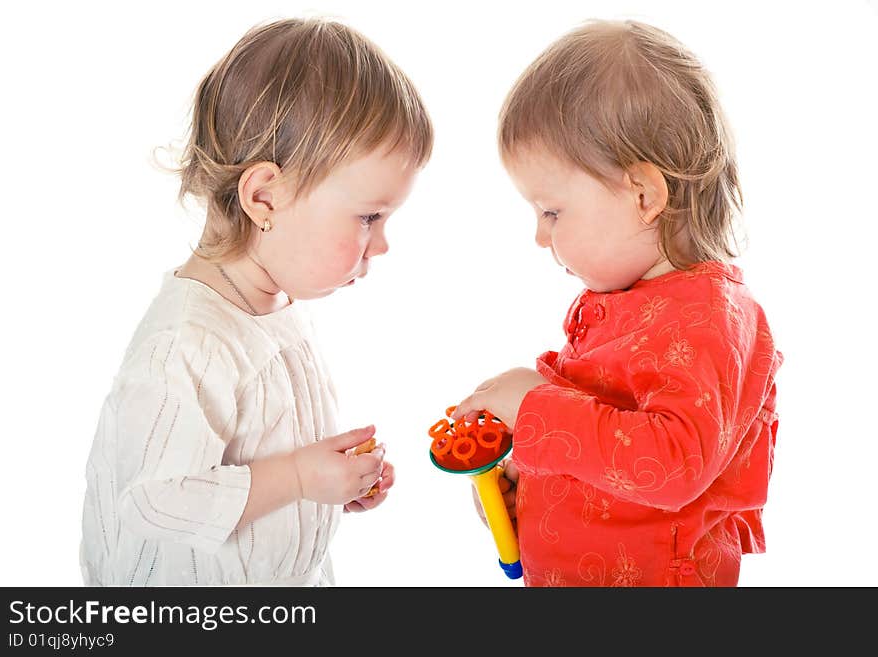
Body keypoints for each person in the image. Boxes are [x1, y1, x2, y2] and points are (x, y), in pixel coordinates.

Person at [80, 17, 433, 586]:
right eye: (369, 217)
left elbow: (247, 474)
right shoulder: (186, 344)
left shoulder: (275, 312)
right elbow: (154, 502)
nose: (383, 244)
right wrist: (297, 479)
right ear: (264, 196)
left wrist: (325, 488)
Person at [454, 19, 782, 587]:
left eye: (552, 212)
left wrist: (533, 408)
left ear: (644, 195)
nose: (540, 235)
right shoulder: (623, 303)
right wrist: (526, 481)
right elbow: (605, 448)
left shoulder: (712, 317)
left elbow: (673, 462)